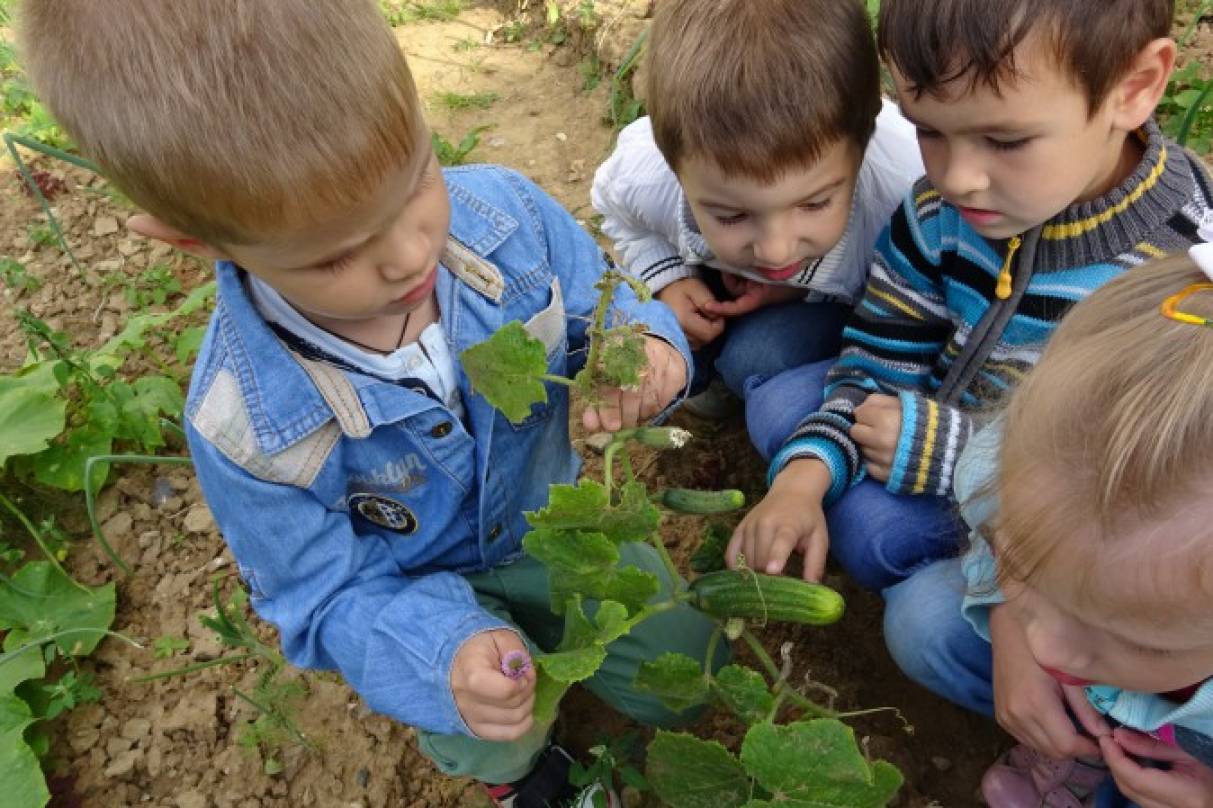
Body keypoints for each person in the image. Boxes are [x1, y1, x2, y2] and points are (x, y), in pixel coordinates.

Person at [16, 2, 726, 805]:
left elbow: (615, 306)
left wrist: (647, 350)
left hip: (564, 530)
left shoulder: (511, 215)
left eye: (417, 179)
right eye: (337, 255)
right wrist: (442, 654)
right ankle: (519, 774)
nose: (408, 254)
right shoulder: (246, 427)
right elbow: (320, 595)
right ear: (197, 242)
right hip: (416, 599)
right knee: (493, 724)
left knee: (696, 676)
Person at [731, 0, 1213, 593]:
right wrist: (803, 477)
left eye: (1006, 140)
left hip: (1050, 519)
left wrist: (964, 455)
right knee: (782, 406)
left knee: (885, 559)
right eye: (928, 129)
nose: (957, 176)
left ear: (1133, 88)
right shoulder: (940, 213)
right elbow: (880, 361)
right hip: (921, 429)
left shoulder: (1181, 274)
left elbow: (1141, 486)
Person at [943, 254, 1213, 807]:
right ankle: (1084, 759)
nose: (1050, 648)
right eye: (1025, 567)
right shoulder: (1035, 466)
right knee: (923, 630)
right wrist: (1007, 618)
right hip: (1117, 712)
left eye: (1143, 643)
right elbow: (991, 525)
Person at [591, 0, 922, 420]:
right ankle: (699, 364)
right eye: (730, 214)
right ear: (673, 163)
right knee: (646, 320)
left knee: (757, 357)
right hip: (720, 280)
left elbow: (915, 322)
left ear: (864, 138)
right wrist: (667, 279)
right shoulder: (644, 175)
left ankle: (749, 376)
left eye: (816, 203)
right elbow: (619, 213)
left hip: (857, 302)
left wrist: (804, 289)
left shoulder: (903, 199)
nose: (775, 251)